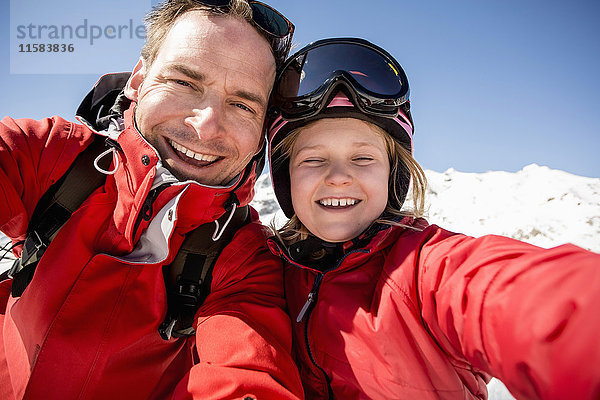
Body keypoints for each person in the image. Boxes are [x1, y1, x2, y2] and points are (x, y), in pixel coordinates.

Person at [265, 37, 600, 399]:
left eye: (363, 159)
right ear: (286, 180)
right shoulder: (268, 271)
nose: (338, 176)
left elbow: (521, 299)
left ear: (394, 176)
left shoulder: (423, 269)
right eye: (313, 160)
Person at [0, 1, 304, 399]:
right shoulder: (52, 158)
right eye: (184, 82)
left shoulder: (244, 258)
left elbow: (248, 375)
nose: (206, 125)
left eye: (242, 104)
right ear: (139, 80)